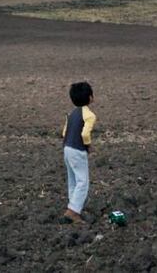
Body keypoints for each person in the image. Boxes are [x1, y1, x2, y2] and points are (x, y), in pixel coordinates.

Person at [61, 81, 96, 223]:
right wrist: (88, 146)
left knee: (73, 179)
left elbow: (64, 132)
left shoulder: (71, 114)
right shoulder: (89, 115)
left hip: (67, 148)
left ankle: (74, 205)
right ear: (90, 98)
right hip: (77, 150)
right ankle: (73, 211)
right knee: (83, 181)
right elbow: (85, 134)